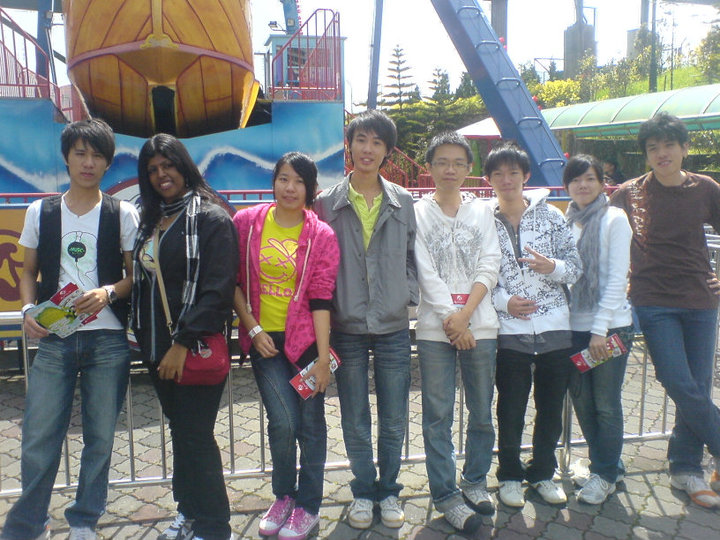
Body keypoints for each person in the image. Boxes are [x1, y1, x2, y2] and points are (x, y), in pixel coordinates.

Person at [1, 119, 138, 540]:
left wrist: (108, 293)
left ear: (108, 163)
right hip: (55, 339)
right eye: (80, 153)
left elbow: (135, 275)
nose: (88, 162)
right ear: (67, 158)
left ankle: (84, 520)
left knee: (99, 438)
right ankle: (30, 522)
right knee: (38, 436)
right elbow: (28, 271)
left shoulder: (122, 213)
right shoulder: (41, 211)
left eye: (97, 155)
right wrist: (28, 309)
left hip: (108, 340)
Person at [314, 109, 418, 529]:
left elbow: (413, 255)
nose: (368, 149)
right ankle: (362, 490)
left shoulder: (403, 201)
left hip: (393, 325)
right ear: (350, 145)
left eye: (377, 142)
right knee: (354, 416)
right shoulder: (327, 202)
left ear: (387, 151)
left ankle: (389, 490)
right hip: (347, 326)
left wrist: (406, 294)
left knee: (394, 416)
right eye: (361, 140)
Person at [610, 112, 720, 509]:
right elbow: (601, 236)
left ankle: (686, 468)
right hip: (652, 300)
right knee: (677, 380)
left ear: (685, 148)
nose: (661, 153)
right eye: (653, 147)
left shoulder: (706, 188)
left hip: (700, 301)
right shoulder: (629, 193)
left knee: (698, 385)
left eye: (669, 145)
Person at [131, 134, 238, 540]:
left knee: (195, 436)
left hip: (191, 350)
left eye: (168, 165)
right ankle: (188, 513)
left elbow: (217, 291)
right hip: (155, 350)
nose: (162, 175)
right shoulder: (150, 219)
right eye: (152, 169)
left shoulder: (211, 219)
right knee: (182, 433)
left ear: (184, 166)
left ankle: (215, 526)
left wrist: (180, 343)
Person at [233, 152, 339, 540]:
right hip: (266, 342)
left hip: (308, 343)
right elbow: (233, 282)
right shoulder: (247, 223)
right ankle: (283, 496)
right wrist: (253, 329)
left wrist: (323, 358)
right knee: (282, 422)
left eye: (298, 181)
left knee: (310, 425)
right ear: (274, 181)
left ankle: (307, 506)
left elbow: (322, 298)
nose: (290, 188)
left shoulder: (321, 235)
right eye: (283, 178)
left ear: (310, 189)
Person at [414, 132, 500, 533]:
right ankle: (446, 494)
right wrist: (452, 319)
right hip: (435, 330)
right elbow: (423, 270)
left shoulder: (482, 210)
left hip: (480, 325)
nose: (450, 169)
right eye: (442, 162)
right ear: (429, 167)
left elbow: (490, 262)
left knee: (481, 411)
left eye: (458, 163)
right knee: (437, 415)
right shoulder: (417, 212)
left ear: (469, 168)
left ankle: (475, 481)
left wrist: (465, 316)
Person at [487, 141, 581, 508]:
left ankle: (543, 472)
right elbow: (478, 274)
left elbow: (576, 267)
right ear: (489, 179)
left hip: (556, 327)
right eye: (498, 174)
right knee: (510, 408)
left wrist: (552, 267)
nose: (506, 179)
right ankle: (509, 475)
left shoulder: (552, 217)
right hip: (509, 331)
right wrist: (504, 302)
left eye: (513, 172)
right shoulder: (483, 221)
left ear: (526, 176)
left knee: (550, 407)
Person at [563, 154, 634, 505]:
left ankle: (603, 474)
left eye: (590, 178)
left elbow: (618, 279)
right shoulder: (567, 221)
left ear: (602, 183)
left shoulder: (614, 218)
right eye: (576, 179)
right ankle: (607, 465)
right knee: (582, 400)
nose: (583, 185)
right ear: (567, 186)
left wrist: (599, 330)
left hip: (609, 328)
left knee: (605, 403)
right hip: (574, 327)